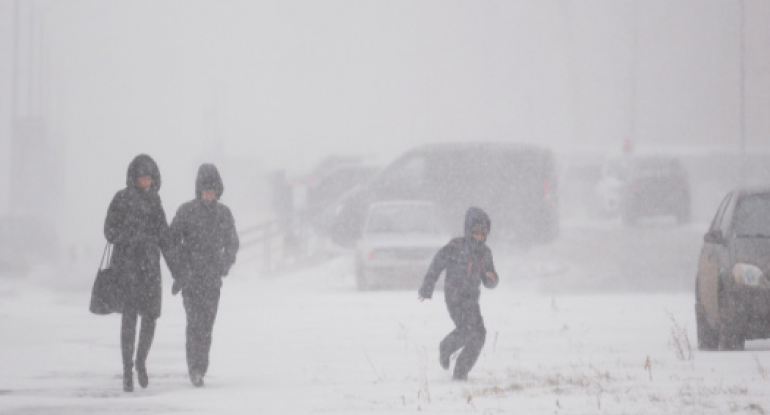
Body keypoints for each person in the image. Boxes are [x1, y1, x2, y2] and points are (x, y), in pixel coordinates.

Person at [104, 154, 173, 392]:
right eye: (142, 178)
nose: (146, 182)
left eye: (149, 178)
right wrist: (129, 239)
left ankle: (141, 361)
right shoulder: (121, 199)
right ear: (134, 178)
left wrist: (178, 271)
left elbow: (165, 237)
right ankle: (126, 370)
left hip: (150, 270)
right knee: (129, 319)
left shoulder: (155, 202)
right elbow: (109, 230)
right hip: (128, 269)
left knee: (151, 317)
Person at [169, 163, 239, 387]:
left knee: (207, 325)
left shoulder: (224, 214)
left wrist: (224, 265)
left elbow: (232, 243)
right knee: (194, 324)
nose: (209, 195)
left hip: (212, 280)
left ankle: (202, 365)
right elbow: (171, 241)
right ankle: (194, 369)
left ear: (218, 191)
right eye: (205, 191)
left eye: (212, 191)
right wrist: (181, 268)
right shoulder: (186, 211)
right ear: (199, 191)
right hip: (190, 280)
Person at [418, 206, 499, 381]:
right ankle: (446, 347)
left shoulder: (485, 253)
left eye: (483, 232)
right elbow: (436, 265)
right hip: (454, 297)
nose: (479, 236)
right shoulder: (455, 247)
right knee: (468, 330)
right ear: (468, 230)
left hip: (472, 299)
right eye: (475, 231)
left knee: (479, 335)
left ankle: (461, 372)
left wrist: (492, 279)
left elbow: (489, 280)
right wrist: (427, 287)